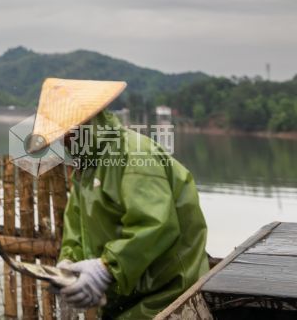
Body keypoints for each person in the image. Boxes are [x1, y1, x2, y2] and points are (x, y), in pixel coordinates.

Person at [33, 79, 209, 318]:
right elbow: (78, 227)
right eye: (59, 135)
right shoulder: (86, 167)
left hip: (169, 297)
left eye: (67, 132)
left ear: (89, 123)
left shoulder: (133, 155)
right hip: (126, 300)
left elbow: (156, 225)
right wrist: (69, 264)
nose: (63, 142)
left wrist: (106, 268)